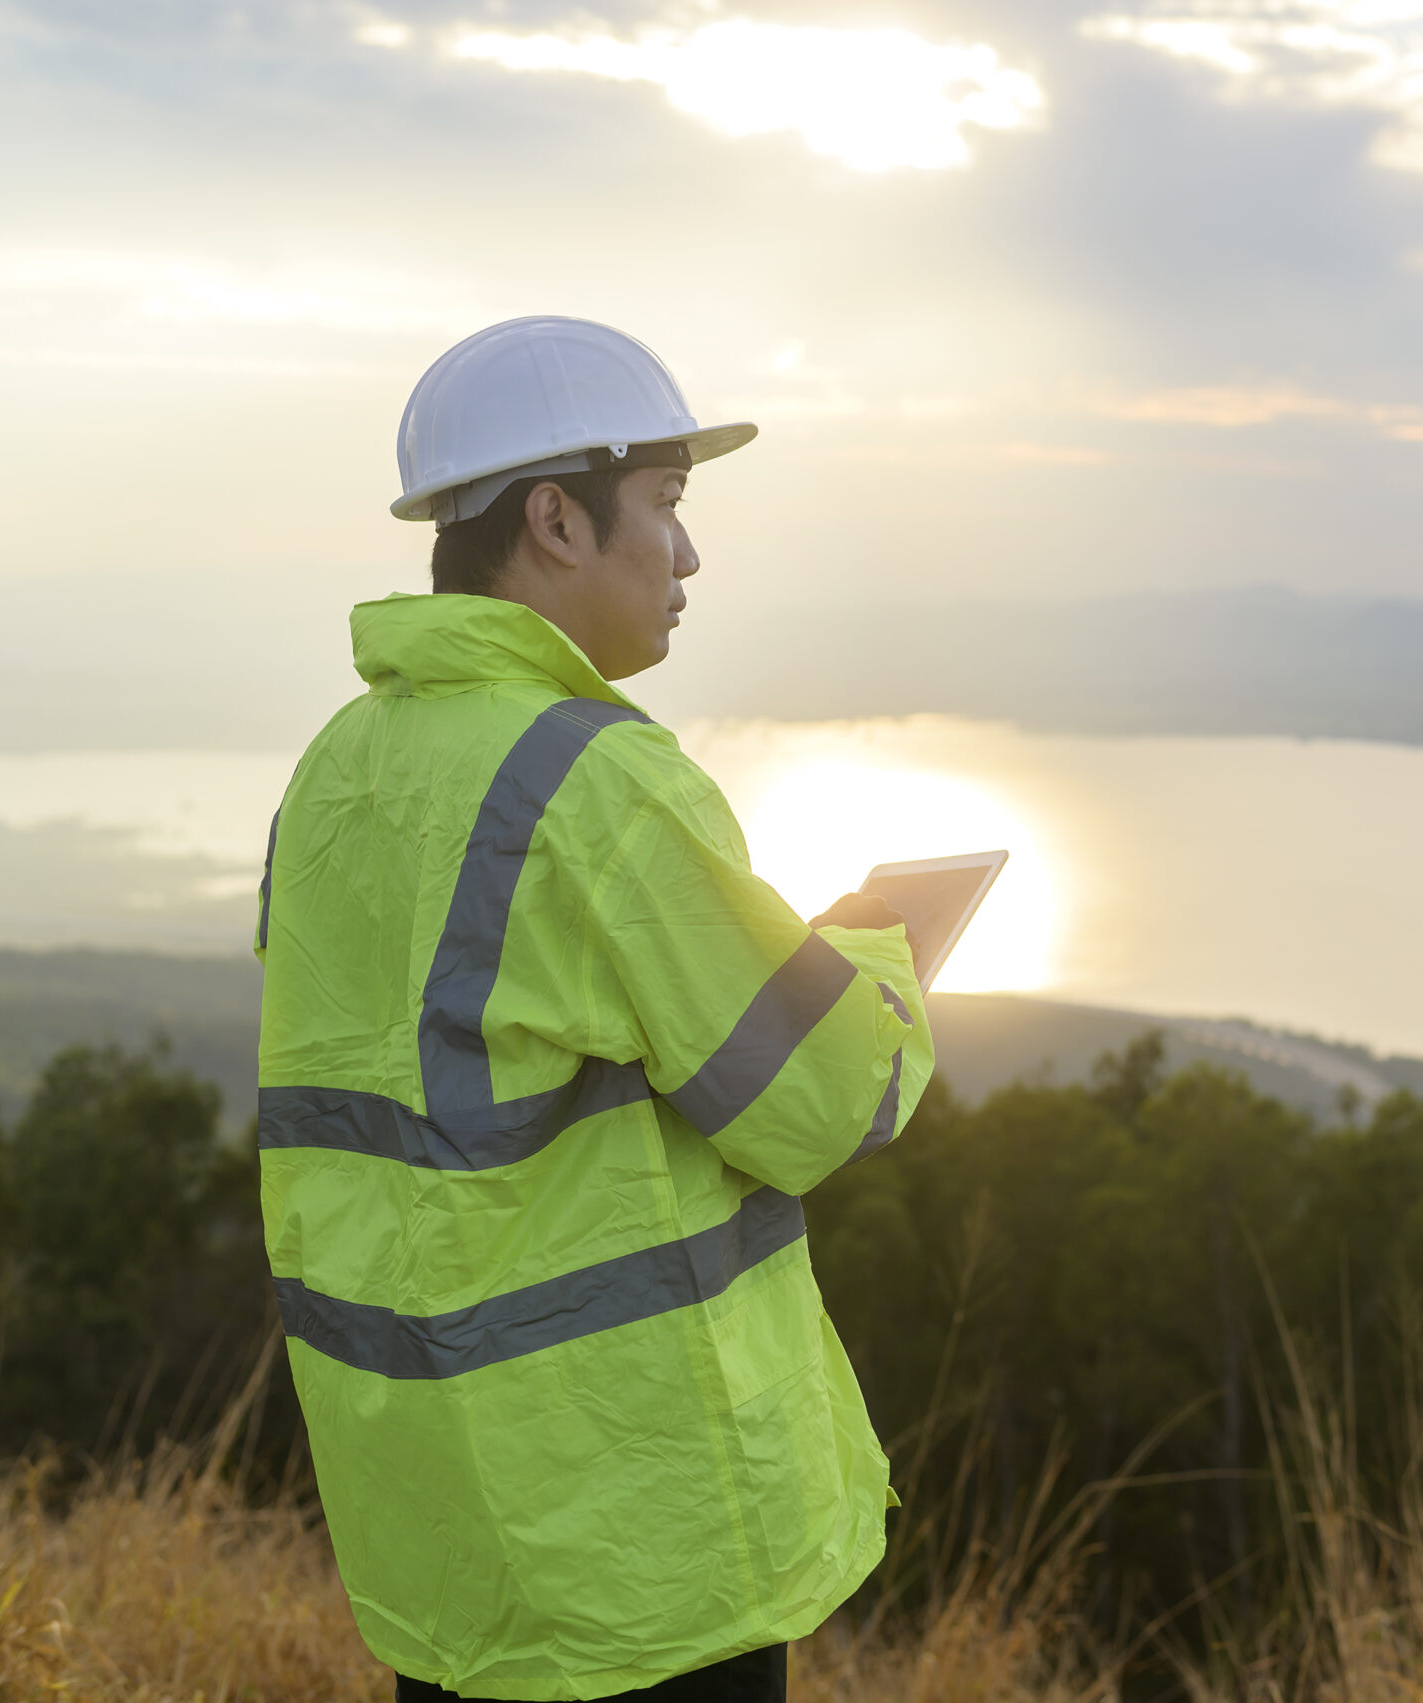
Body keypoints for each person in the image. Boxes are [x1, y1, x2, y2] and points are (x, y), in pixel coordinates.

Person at [253, 317, 932, 1701]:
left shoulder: (341, 768)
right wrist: (882, 960)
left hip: (440, 1529)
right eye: (669, 508)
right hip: (642, 1547)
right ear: (557, 519)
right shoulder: (595, 777)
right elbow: (822, 1102)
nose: (688, 559)